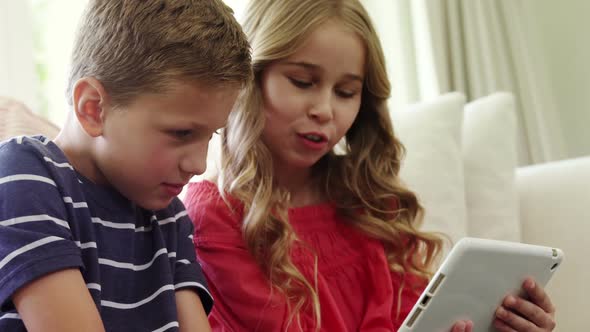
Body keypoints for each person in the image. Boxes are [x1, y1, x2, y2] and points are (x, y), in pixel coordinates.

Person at [184, 0, 557, 331]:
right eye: (302, 81)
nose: (325, 110)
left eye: (346, 92)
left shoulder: (368, 201)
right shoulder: (214, 212)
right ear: (251, 78)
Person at [0, 0, 252, 331]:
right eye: (181, 133)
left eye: (211, 135)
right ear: (93, 108)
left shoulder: (168, 214)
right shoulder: (26, 175)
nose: (199, 165)